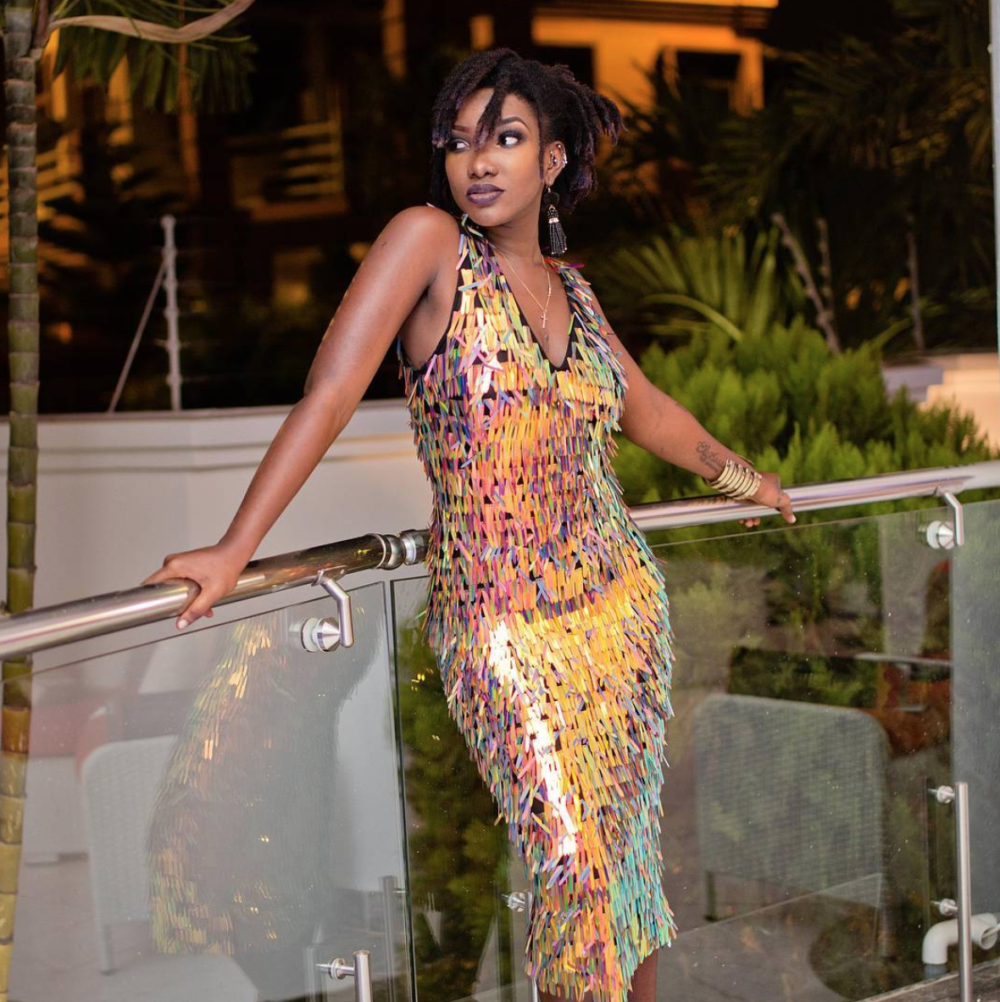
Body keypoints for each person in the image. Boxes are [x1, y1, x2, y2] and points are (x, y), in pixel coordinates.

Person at [142, 47, 795, 1002]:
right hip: (502, 626)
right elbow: (330, 392)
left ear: (554, 160)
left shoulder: (573, 290)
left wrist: (749, 481)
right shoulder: (428, 243)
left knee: (628, 865)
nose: (476, 162)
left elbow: (647, 410)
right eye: (458, 143)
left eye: (506, 139)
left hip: (620, 610)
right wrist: (236, 547)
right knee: (574, 865)